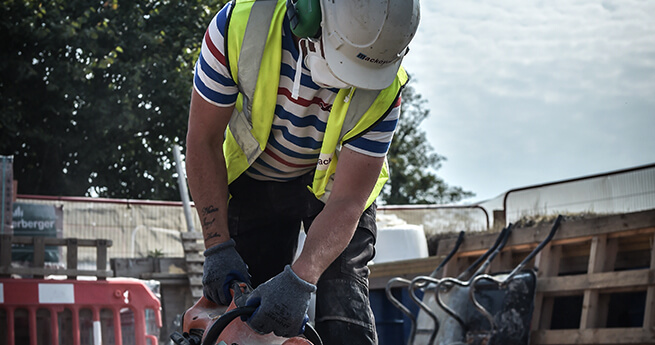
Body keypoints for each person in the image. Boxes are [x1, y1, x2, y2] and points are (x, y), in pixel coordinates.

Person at [185, 0, 420, 343]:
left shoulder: (384, 87)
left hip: (337, 197)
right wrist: (217, 247)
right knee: (249, 319)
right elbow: (203, 141)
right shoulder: (237, 28)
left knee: (345, 311)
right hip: (256, 179)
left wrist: (302, 278)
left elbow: (349, 200)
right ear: (308, 12)